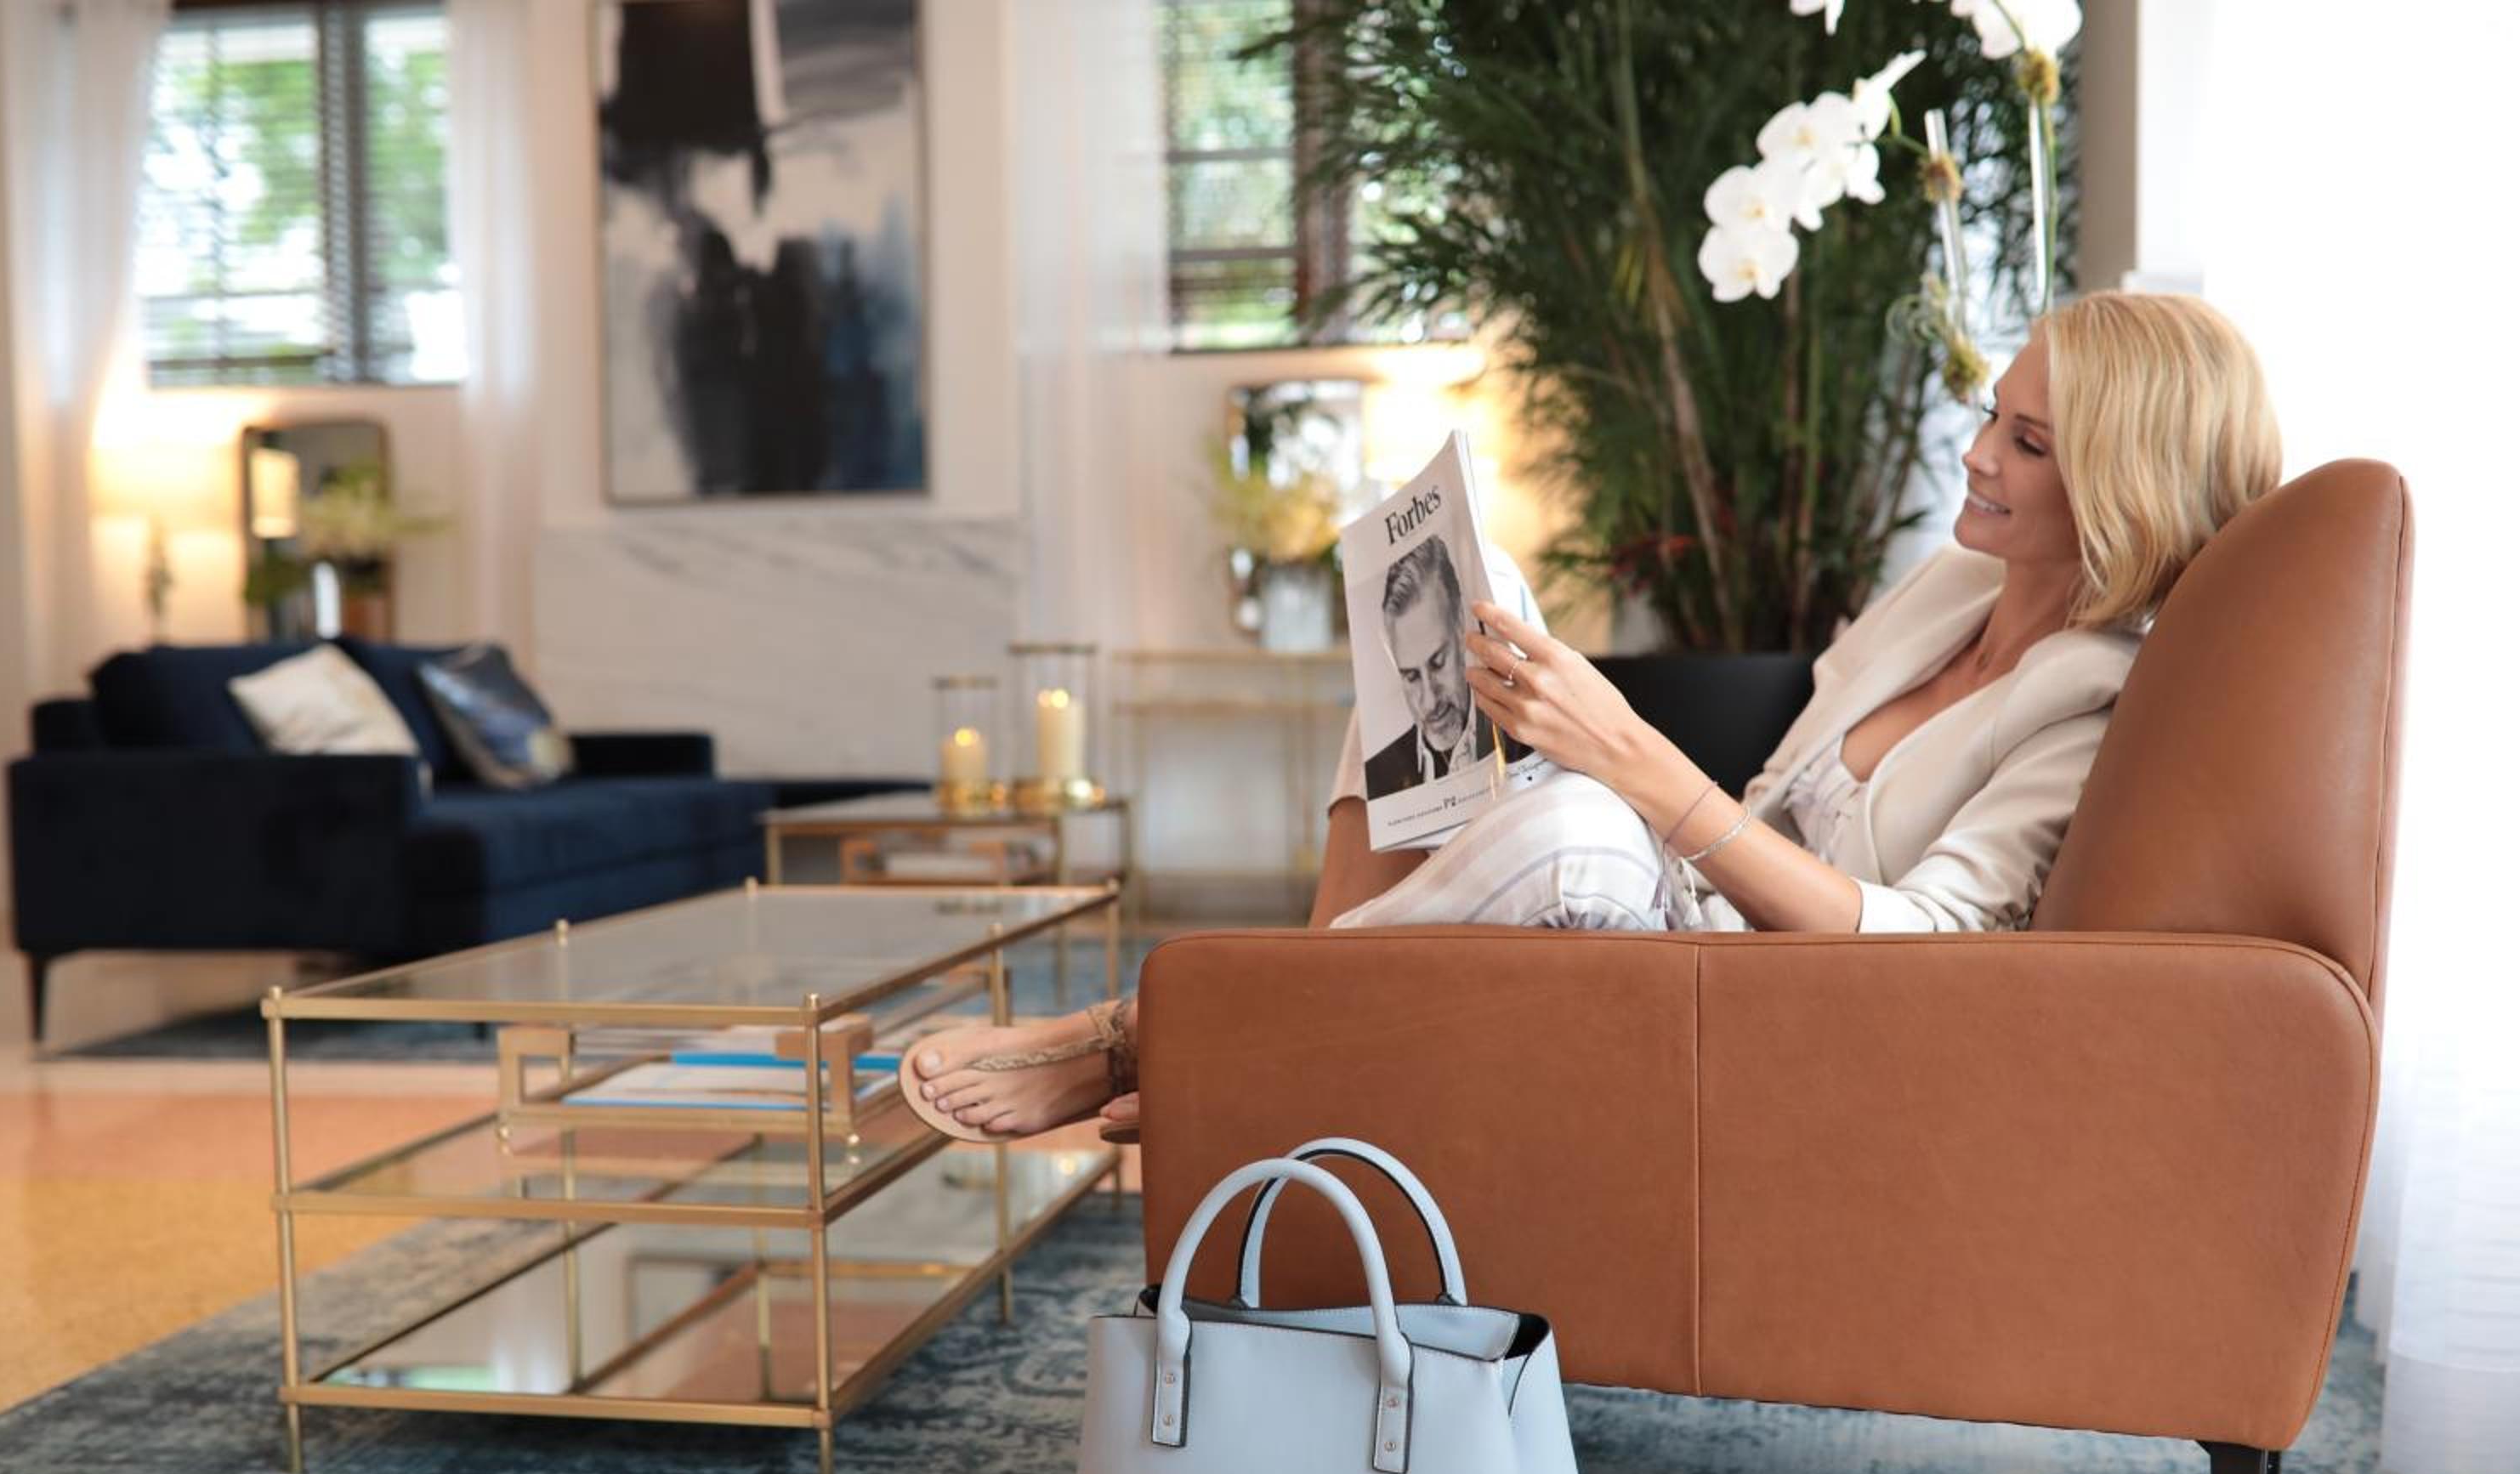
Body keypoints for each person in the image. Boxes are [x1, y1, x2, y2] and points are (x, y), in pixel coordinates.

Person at [900, 291, 2282, 1141]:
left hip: (1777, 1005)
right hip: (1685, 903)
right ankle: (1280, 1033)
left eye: (2027, 444)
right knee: (1447, 596)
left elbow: (1937, 951)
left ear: (2124, 485)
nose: (1976, 454)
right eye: (1993, 415)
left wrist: (1626, 757)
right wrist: (1589, 743)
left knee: (1575, 829)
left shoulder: (2096, 702)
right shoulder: (1957, 585)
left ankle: (1166, 1036)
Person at [1363, 535, 1497, 795]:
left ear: (1461, 624)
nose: (1430, 701)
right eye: (1411, 676)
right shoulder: (1379, 775)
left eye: (1437, 663)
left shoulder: (1516, 737)